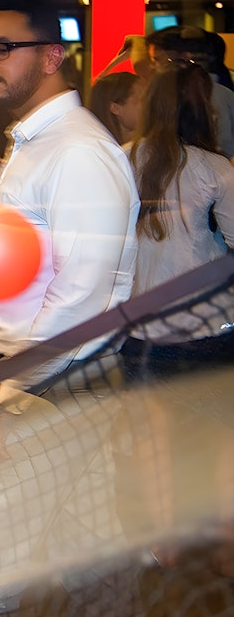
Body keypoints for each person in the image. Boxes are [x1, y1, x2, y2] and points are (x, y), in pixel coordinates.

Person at [0, 0, 138, 391]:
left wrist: (8, 392)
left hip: (50, 379)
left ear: (51, 57)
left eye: (2, 49)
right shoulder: (36, 140)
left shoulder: (78, 150)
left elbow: (79, 302)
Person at [123, 62, 234, 374]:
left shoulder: (122, 157)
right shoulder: (215, 168)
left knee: (143, 420)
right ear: (202, 110)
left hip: (136, 326)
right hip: (204, 325)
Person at [146, 25, 234, 159]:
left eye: (157, 59)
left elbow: (224, 145)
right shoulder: (215, 91)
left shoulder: (211, 94)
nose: (152, 66)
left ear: (182, 57)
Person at [88, 72, 143, 145]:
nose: (150, 106)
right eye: (143, 100)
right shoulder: (99, 152)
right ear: (115, 108)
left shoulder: (150, 147)